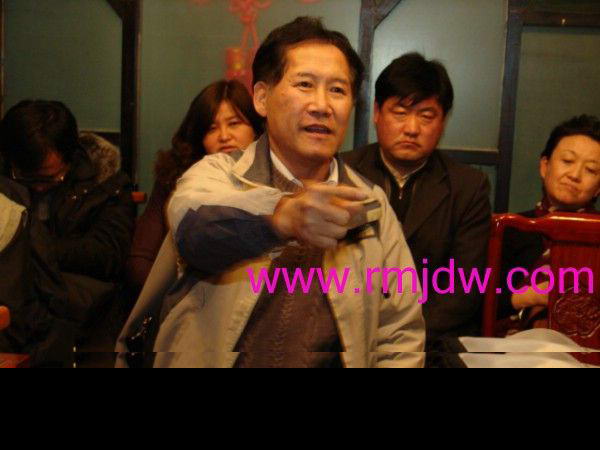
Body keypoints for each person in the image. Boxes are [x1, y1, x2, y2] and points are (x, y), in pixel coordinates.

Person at [122, 17, 425, 368]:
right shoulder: (216, 175)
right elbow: (195, 235)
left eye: (338, 90)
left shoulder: (369, 204)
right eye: (305, 85)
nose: (322, 105)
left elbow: (400, 330)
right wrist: (278, 221)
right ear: (262, 98)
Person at [343, 53, 491, 348]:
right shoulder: (341, 173)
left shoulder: (468, 187)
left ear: (443, 121)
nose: (412, 128)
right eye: (400, 113)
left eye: (426, 116)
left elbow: (465, 288)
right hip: (350, 338)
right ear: (376, 113)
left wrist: (403, 336)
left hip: (433, 342)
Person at [0, 100, 135, 364]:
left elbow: (107, 255)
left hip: (84, 311)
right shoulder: (7, 185)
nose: (38, 187)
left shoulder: (106, 183)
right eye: (26, 177)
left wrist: (32, 246)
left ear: (70, 158)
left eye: (48, 178)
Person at [126, 80, 264, 293]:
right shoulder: (177, 179)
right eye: (211, 128)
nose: (224, 136)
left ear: (255, 129)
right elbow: (141, 259)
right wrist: (172, 300)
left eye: (234, 123)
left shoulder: (273, 179)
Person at [498, 115, 600, 333]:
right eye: (568, 161)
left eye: (591, 170)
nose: (575, 175)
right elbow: (476, 303)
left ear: (598, 188)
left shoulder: (597, 236)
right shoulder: (510, 228)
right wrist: (529, 296)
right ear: (545, 167)